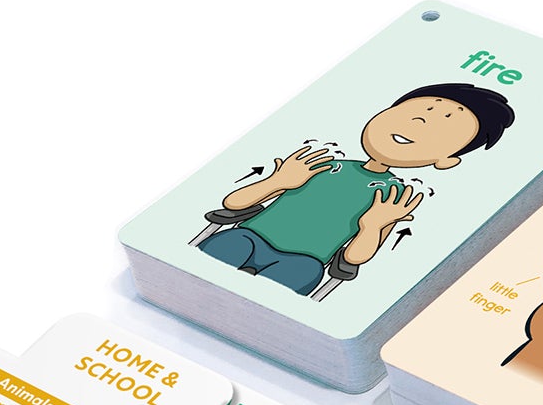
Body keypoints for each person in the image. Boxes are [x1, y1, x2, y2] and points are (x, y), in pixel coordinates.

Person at [197, 82, 514, 295]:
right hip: (249, 235)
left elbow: (355, 257)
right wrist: (277, 181)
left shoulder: (393, 198)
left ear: (446, 160)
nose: (418, 125)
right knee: (223, 250)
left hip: (302, 261)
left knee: (292, 280)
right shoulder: (322, 164)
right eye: (413, 116)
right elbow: (234, 204)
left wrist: (373, 226)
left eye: (441, 130)